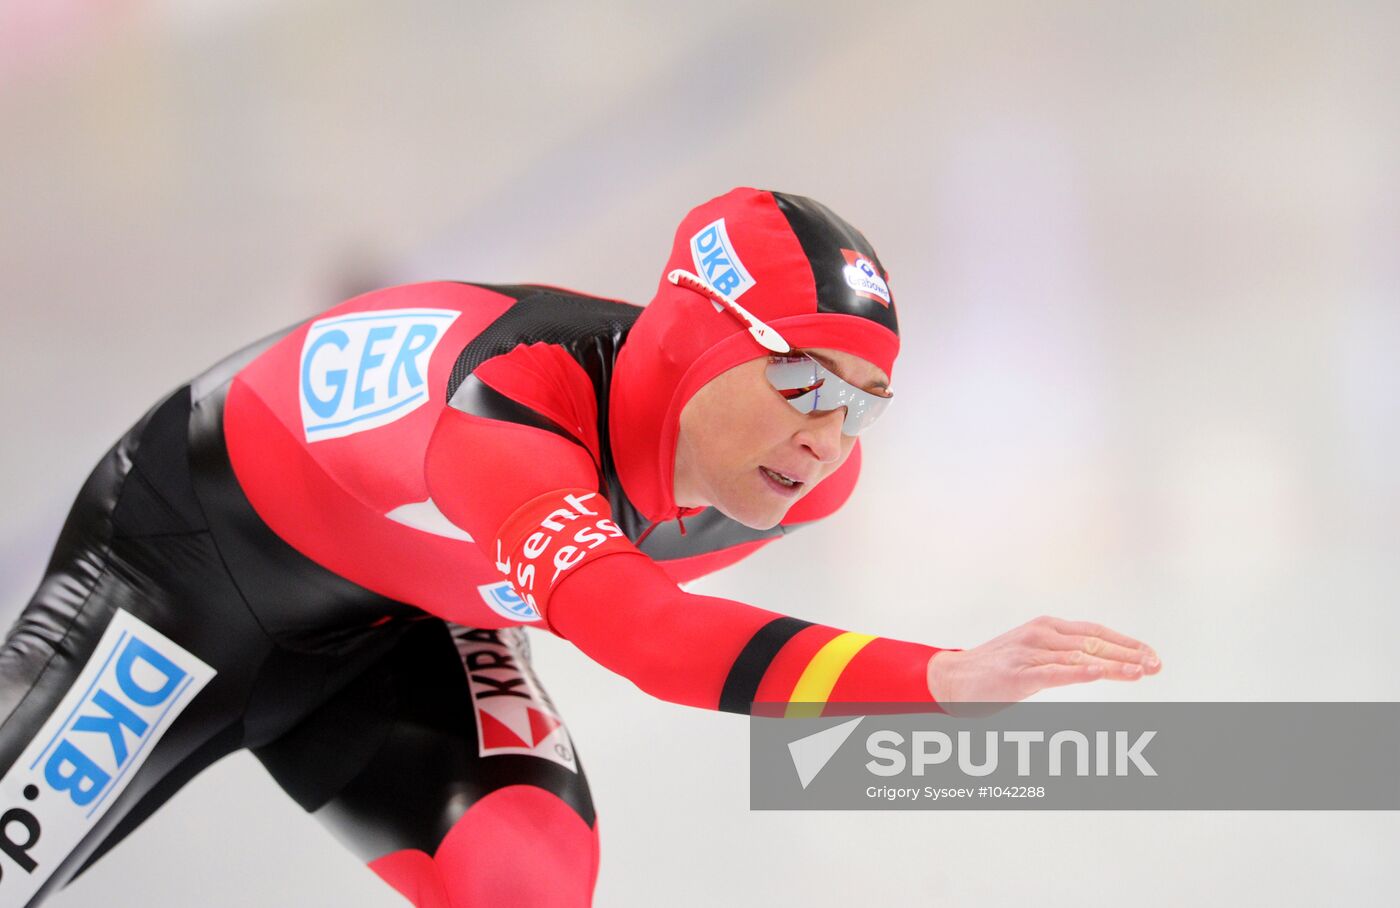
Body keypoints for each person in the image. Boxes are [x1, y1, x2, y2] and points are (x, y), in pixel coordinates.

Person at [0, 187, 1160, 907]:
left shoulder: (800, 483)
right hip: (184, 573)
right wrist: (937, 678)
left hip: (401, 621)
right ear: (694, 339)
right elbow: (649, 639)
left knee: (523, 877)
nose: (824, 437)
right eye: (802, 378)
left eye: (861, 402)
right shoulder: (508, 407)